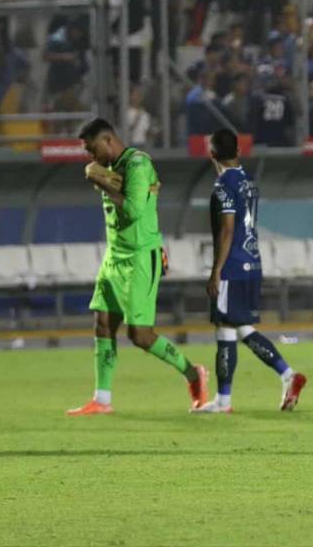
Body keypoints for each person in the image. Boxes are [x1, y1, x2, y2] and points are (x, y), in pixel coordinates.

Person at [67, 118, 209, 416]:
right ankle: (102, 399)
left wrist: (100, 180)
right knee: (103, 324)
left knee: (140, 335)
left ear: (108, 141)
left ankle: (193, 373)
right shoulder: (109, 169)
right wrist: (103, 176)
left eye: (92, 149)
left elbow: (132, 211)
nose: (90, 158)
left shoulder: (137, 165)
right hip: (114, 257)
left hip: (140, 258)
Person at [194, 130, 308, 414]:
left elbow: (228, 228)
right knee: (241, 328)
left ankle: (224, 400)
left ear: (212, 154)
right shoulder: (248, 181)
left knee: (224, 329)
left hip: (232, 266)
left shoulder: (223, 184)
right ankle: (286, 375)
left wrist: (215, 271)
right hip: (253, 263)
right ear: (238, 152)